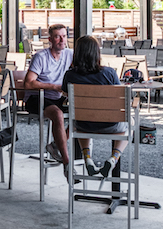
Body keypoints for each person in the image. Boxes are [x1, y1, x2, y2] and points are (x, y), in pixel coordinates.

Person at [51, 35, 124, 179]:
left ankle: (87, 157)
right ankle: (114, 158)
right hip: (110, 125)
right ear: (97, 53)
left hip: (83, 125)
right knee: (130, 122)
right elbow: (119, 99)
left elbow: (65, 94)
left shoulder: (70, 75)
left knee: (80, 119)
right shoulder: (109, 73)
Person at [23, 23, 73, 138]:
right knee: (58, 114)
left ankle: (57, 145)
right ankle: (62, 150)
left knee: (82, 111)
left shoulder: (70, 54)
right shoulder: (40, 57)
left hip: (58, 98)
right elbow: (28, 83)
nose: (62, 40)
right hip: (36, 98)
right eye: (57, 37)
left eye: (64, 36)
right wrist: (55, 87)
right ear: (50, 39)